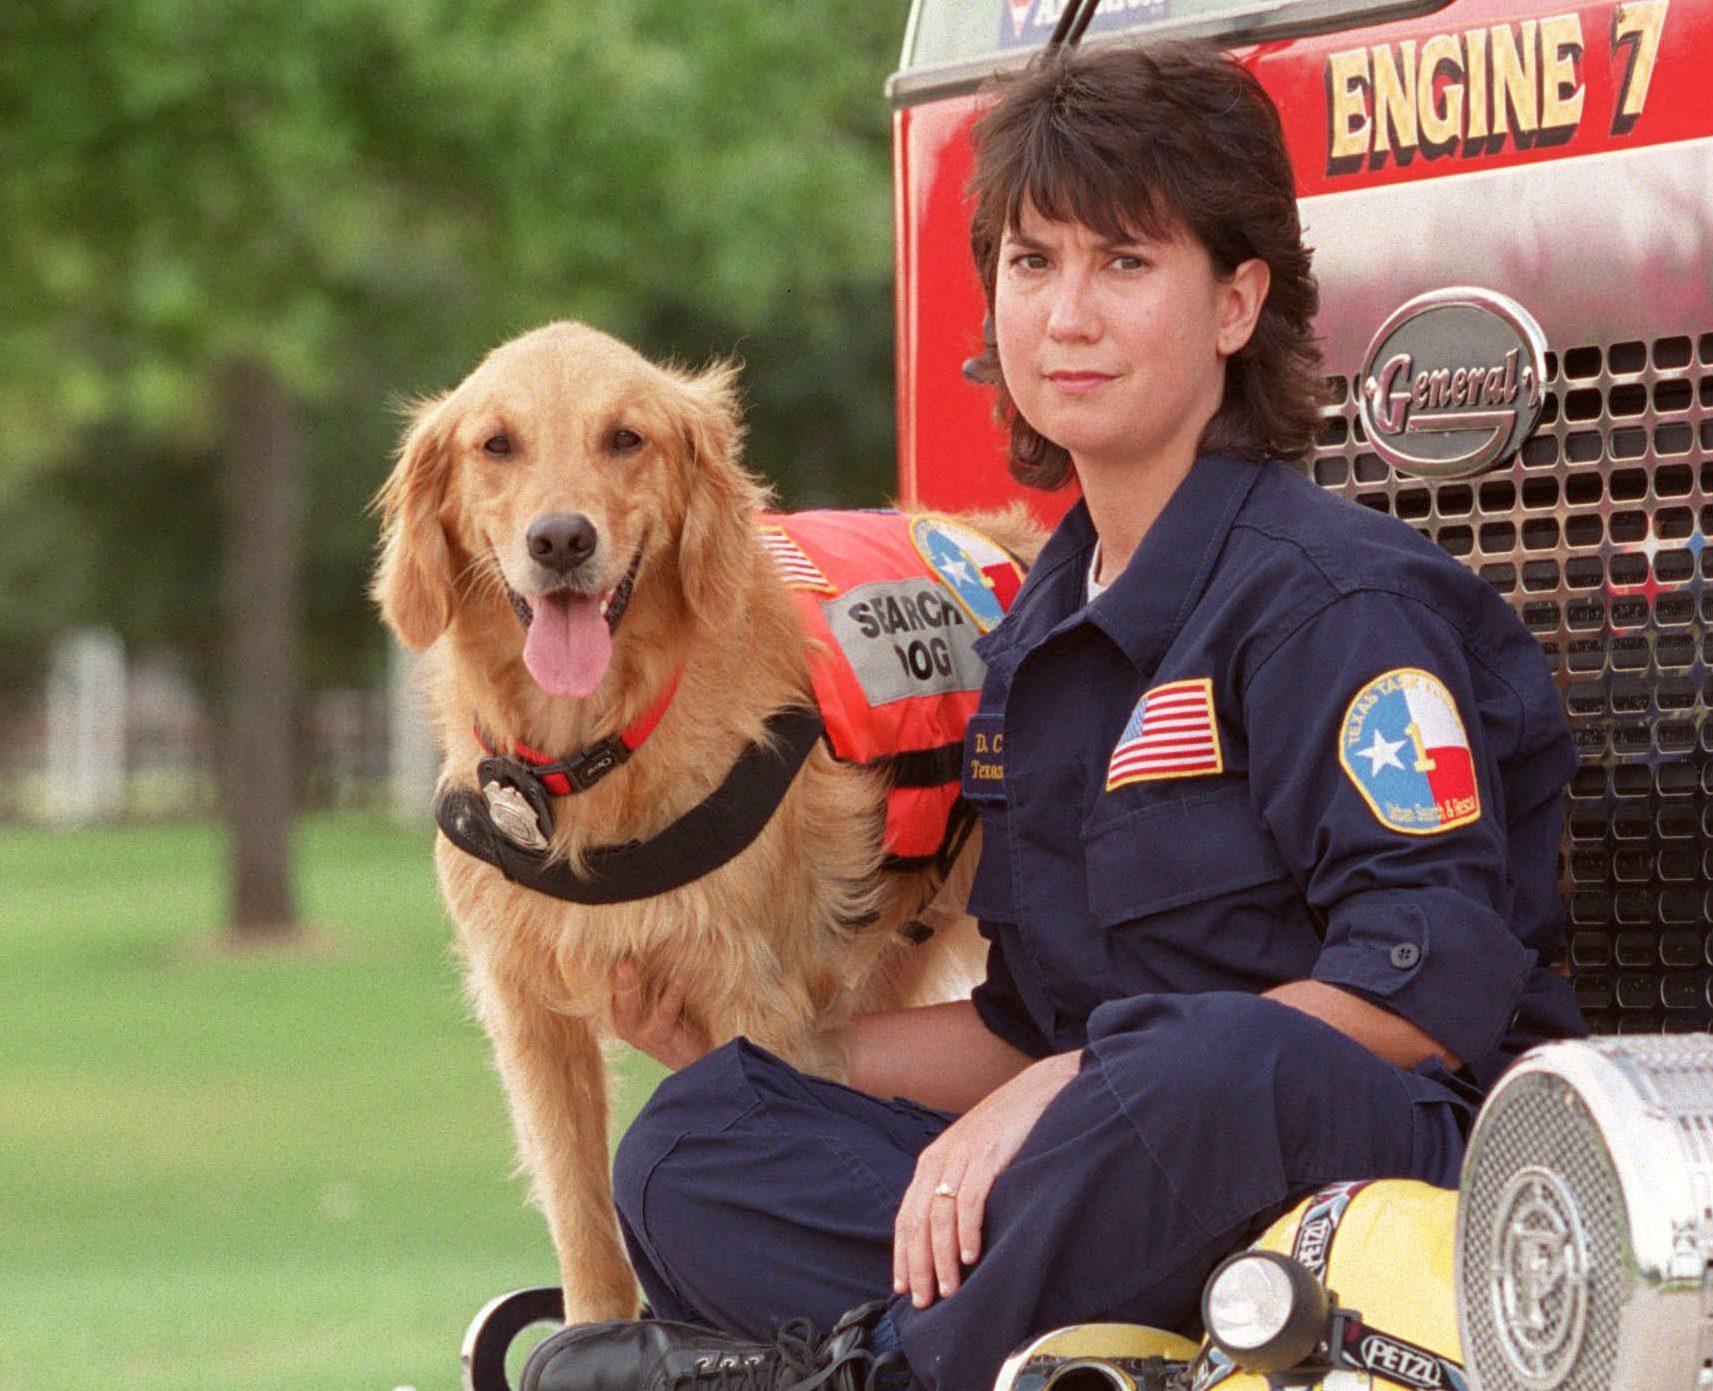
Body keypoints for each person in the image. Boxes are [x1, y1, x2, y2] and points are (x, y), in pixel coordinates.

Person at [519, 39, 1580, 1391]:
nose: (1066, 316)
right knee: (700, 1132)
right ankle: (990, 1350)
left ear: (1237, 304)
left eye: (1124, 265)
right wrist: (775, 1043)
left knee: (1210, 1060)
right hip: (1107, 1175)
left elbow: (1425, 992)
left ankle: (879, 1371)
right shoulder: (1035, 630)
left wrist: (1072, 1086)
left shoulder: (1332, 603)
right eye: (1033, 263)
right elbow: (1027, 1021)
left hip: (1365, 1164)